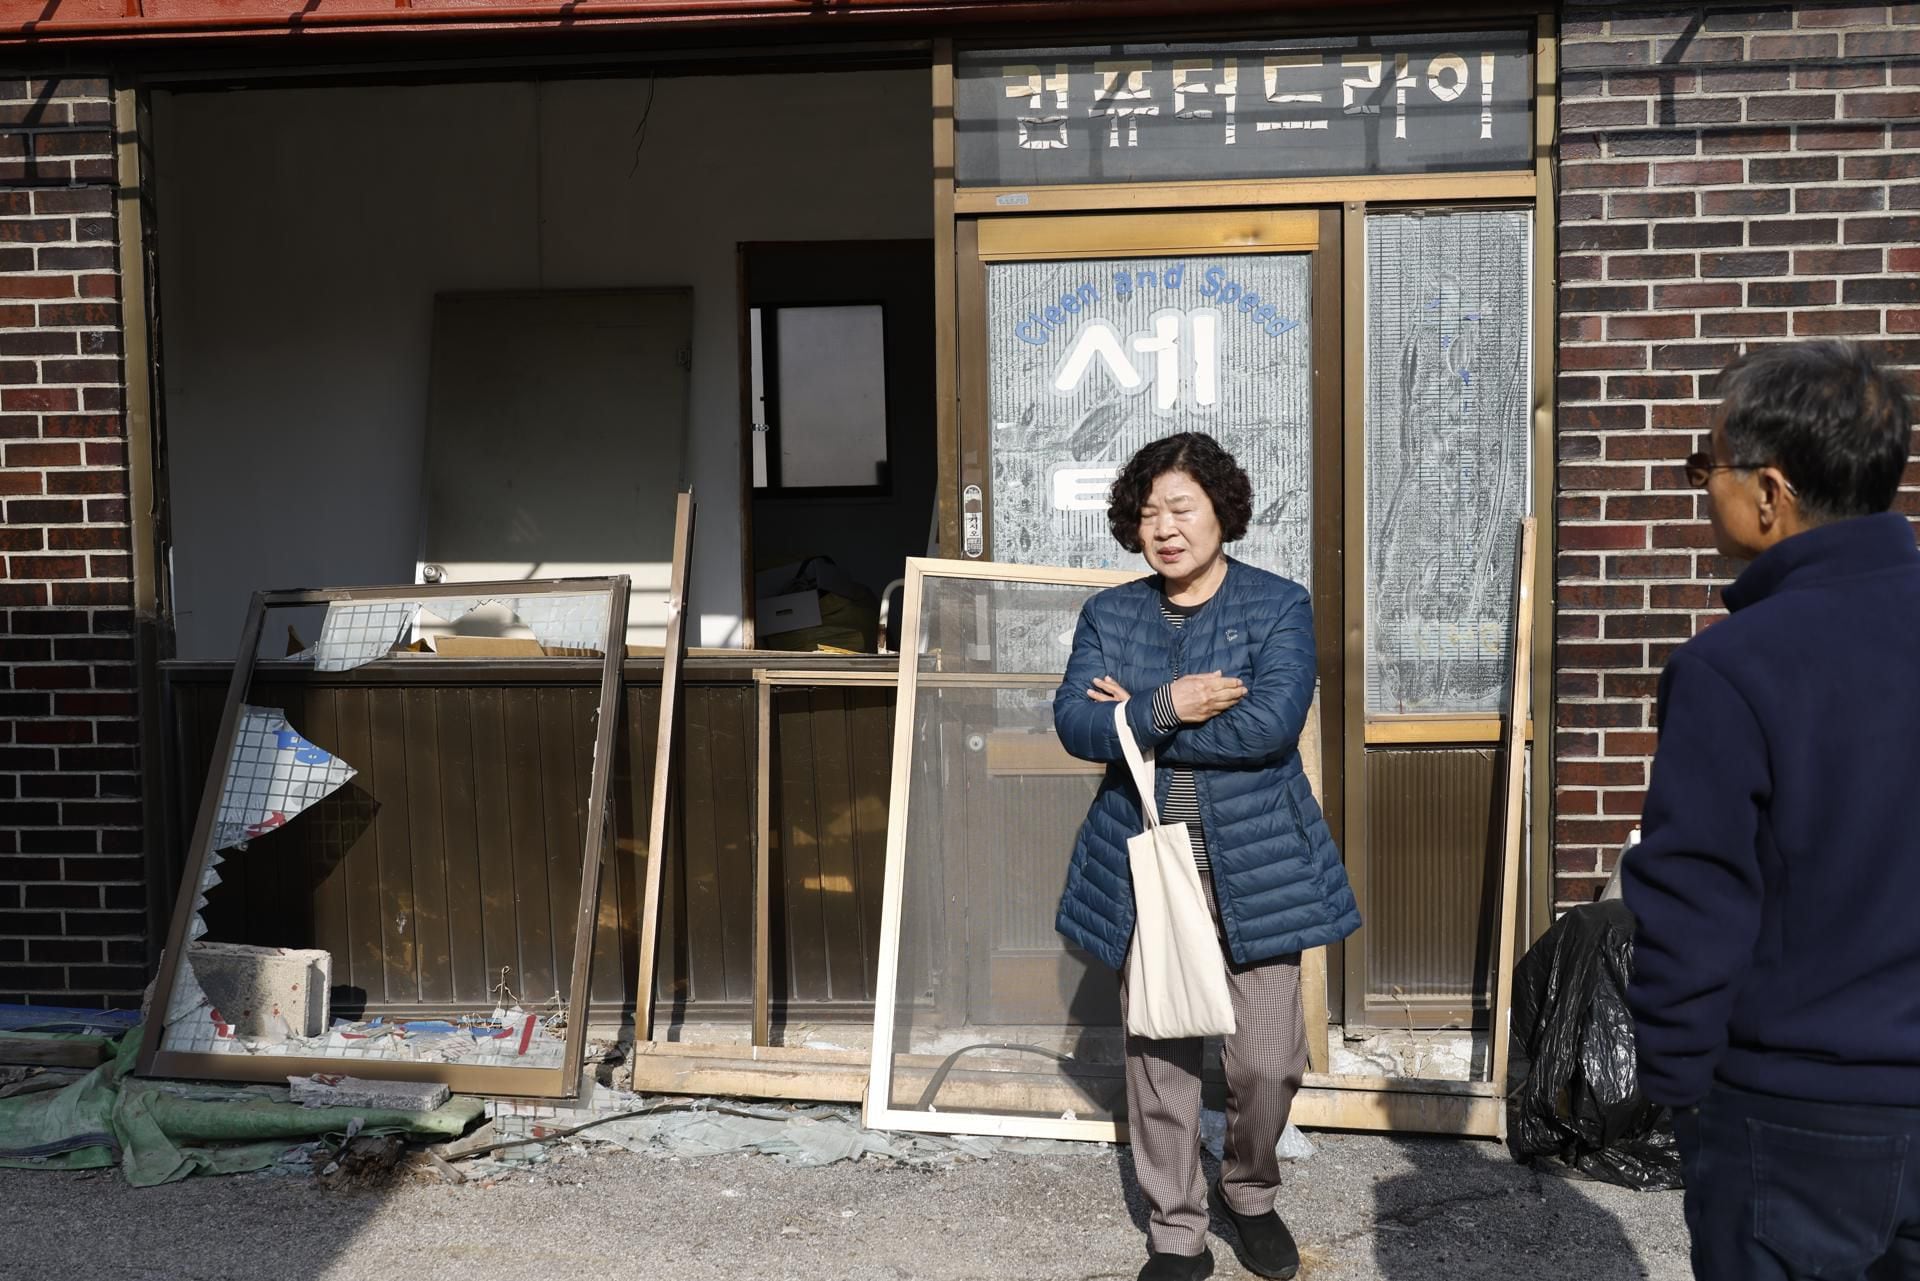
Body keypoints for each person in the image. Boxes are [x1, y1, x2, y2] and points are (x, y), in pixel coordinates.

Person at [1622, 340, 1920, 1281]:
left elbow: (1693, 896)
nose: (1700, 486)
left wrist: (1676, 1089)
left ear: (1769, 492)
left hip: (1793, 1113)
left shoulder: (1735, 667)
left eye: (1703, 464)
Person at [1053, 432, 1361, 1281]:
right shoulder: (1110, 615)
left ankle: (1249, 1190)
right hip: (1150, 864)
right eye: (1149, 512)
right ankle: (1177, 1228)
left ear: (1222, 510)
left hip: (1259, 863)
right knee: (1160, 1058)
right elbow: (1078, 726)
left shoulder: (1277, 605)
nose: (1165, 527)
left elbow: (1271, 724)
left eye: (1182, 507)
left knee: (1267, 1061)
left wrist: (1142, 720)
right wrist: (1172, 701)